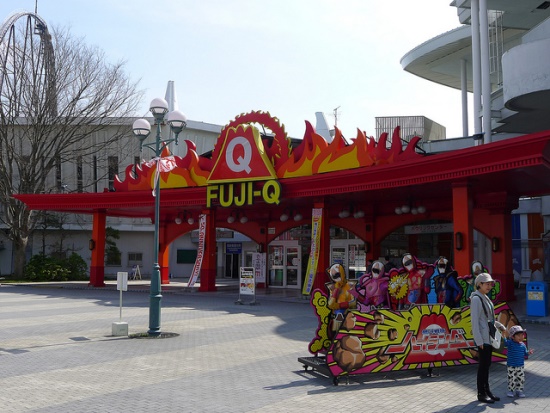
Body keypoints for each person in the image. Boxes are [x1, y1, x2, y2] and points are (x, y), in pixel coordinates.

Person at [470, 272, 506, 404]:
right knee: (483, 366)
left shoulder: (485, 297)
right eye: (487, 284)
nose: (489, 286)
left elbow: (488, 319)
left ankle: (487, 391)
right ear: (479, 284)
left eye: (490, 284)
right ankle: (481, 393)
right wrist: (479, 340)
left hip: (488, 338)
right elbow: (475, 322)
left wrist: (500, 326)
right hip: (483, 339)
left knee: (487, 365)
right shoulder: (476, 299)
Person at [504, 325, 534, 398]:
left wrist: (528, 352)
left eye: (522, 335)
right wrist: (503, 333)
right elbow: (504, 342)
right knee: (512, 378)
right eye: (519, 335)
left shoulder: (523, 345)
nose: (521, 337)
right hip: (511, 365)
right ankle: (511, 391)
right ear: (513, 337)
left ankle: (519, 391)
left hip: (520, 366)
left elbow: (525, 353)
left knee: (521, 379)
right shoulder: (510, 343)